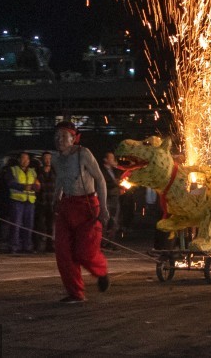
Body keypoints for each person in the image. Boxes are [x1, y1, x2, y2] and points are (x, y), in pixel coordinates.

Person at [51, 121, 110, 302]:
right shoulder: (56, 158)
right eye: (57, 136)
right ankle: (75, 293)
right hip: (66, 205)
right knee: (63, 252)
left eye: (63, 136)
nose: (59, 140)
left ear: (73, 138)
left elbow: (100, 180)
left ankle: (101, 272)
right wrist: (56, 198)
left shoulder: (83, 154)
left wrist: (104, 207)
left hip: (87, 205)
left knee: (84, 251)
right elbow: (61, 180)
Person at [6, 152, 40, 253]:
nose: (24, 161)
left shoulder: (32, 172)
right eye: (23, 158)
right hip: (17, 201)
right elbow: (10, 183)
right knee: (16, 224)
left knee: (29, 225)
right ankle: (14, 246)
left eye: (26, 159)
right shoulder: (13, 170)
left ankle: (27, 246)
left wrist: (37, 186)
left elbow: (37, 184)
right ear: (19, 160)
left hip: (30, 202)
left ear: (29, 161)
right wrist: (24, 187)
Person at [34, 151, 56, 252]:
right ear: (42, 159)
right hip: (41, 201)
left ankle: (49, 245)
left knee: (50, 225)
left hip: (51, 201)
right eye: (46, 158)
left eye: (49, 158)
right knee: (39, 224)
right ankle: (37, 245)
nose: (48, 160)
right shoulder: (38, 171)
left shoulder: (55, 171)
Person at [100, 152, 122, 246]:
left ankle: (111, 241)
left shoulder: (114, 171)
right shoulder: (102, 171)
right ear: (106, 160)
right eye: (111, 158)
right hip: (107, 197)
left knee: (114, 220)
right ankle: (103, 241)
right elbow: (103, 183)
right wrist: (115, 184)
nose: (113, 160)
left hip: (115, 197)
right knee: (105, 220)